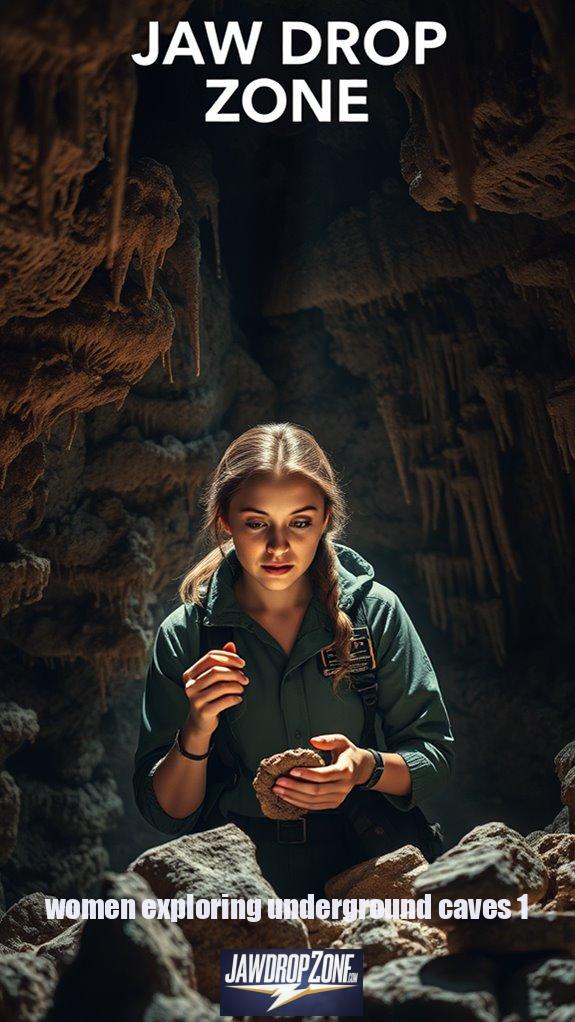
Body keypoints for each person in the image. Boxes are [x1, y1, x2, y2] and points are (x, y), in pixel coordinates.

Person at [133, 422, 455, 897]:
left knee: (372, 954)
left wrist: (363, 768)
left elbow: (434, 754)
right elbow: (165, 813)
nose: (278, 546)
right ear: (225, 521)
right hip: (241, 880)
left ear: (326, 519)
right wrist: (197, 727)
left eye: (300, 522)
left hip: (366, 864)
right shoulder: (186, 635)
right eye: (256, 523)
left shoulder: (374, 613)